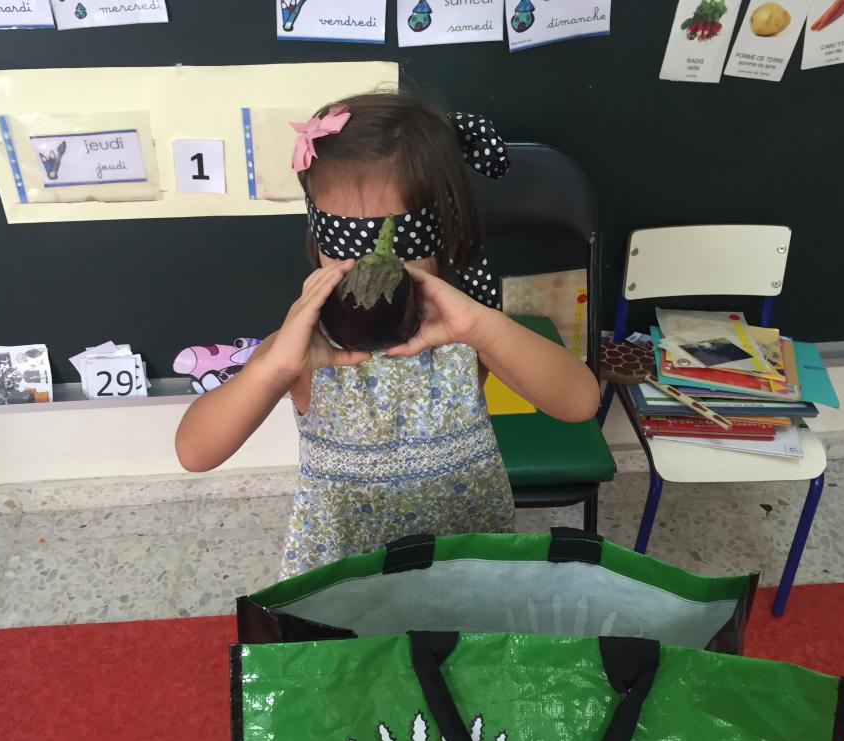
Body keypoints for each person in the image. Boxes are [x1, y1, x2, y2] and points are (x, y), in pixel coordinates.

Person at [176, 91, 599, 577]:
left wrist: (484, 326)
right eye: (344, 242)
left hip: (462, 565)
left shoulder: (463, 333)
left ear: (444, 235)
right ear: (318, 239)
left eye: (397, 243)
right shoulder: (304, 349)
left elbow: (579, 402)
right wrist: (274, 367)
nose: (370, 267)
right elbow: (195, 452)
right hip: (349, 577)